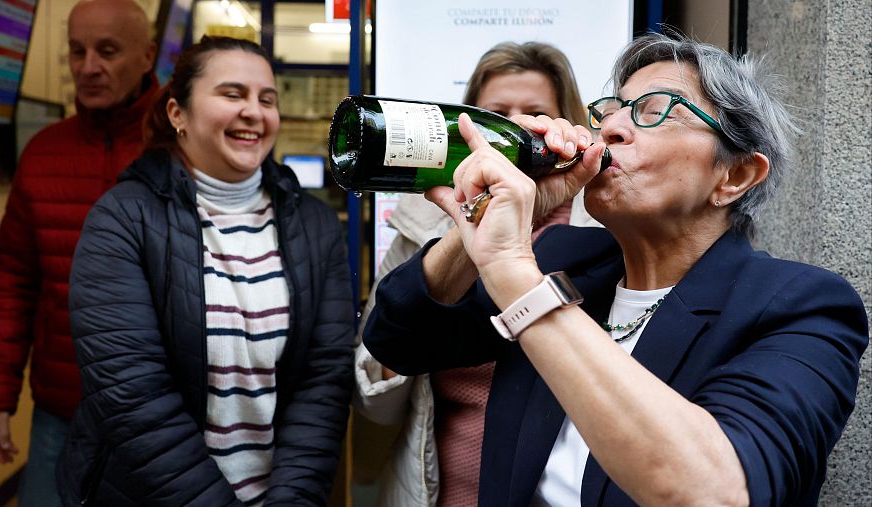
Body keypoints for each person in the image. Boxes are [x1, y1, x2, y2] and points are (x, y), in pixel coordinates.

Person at [362, 32, 868, 506]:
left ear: (735, 175)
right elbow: (399, 338)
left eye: (654, 111)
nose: (610, 128)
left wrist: (513, 271)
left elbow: (712, 489)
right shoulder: (570, 257)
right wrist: (480, 229)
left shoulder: (802, 307)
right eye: (611, 110)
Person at [56, 36, 354, 506]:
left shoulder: (314, 225)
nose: (254, 112)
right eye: (232, 94)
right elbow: (133, 395)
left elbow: (324, 380)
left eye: (267, 99)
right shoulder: (122, 218)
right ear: (178, 114)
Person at [354, 41, 595, 507]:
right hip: (432, 491)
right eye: (498, 114)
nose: (517, 127)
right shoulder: (423, 219)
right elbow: (372, 392)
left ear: (562, 122)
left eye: (535, 112)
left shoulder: (602, 226)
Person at [0, 1, 157, 505]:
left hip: (163, 422)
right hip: (61, 412)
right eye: (77, 51)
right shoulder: (43, 152)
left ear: (148, 56)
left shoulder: (182, 150)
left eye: (108, 51)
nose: (88, 66)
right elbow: (12, 282)